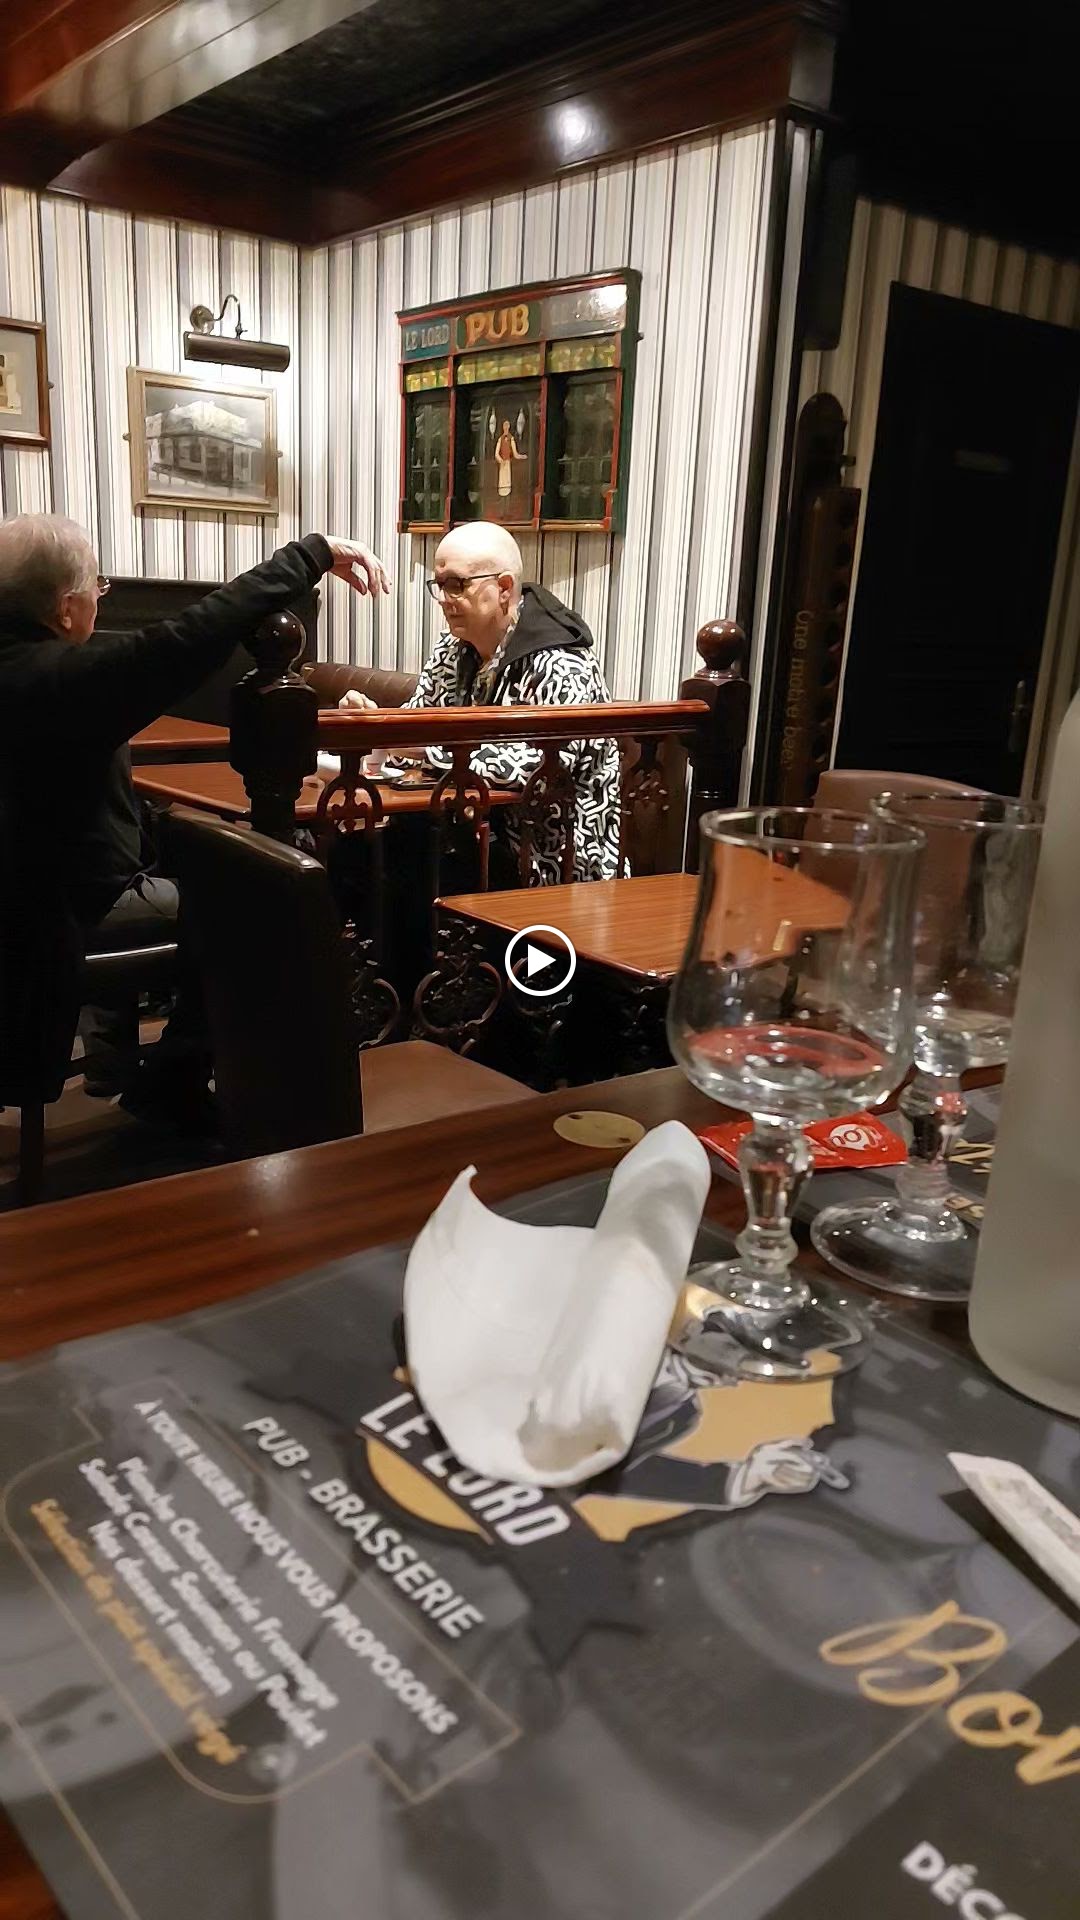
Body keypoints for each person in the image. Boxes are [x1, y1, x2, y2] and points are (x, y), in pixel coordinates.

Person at [0, 514, 390, 1106]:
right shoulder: (59, 677)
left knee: (191, 859)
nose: (101, 602)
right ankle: (170, 1086)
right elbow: (192, 635)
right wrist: (309, 555)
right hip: (57, 912)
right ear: (66, 608)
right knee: (267, 903)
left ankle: (118, 1064)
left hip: (30, 898)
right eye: (98, 589)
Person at [321, 522, 620, 885]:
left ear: (504, 587)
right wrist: (375, 721)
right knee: (350, 855)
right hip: (472, 833)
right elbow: (415, 729)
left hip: (552, 857)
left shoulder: (561, 663)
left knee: (390, 869)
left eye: (457, 584)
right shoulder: (452, 649)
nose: (444, 598)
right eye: (439, 584)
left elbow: (540, 772)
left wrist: (415, 745)